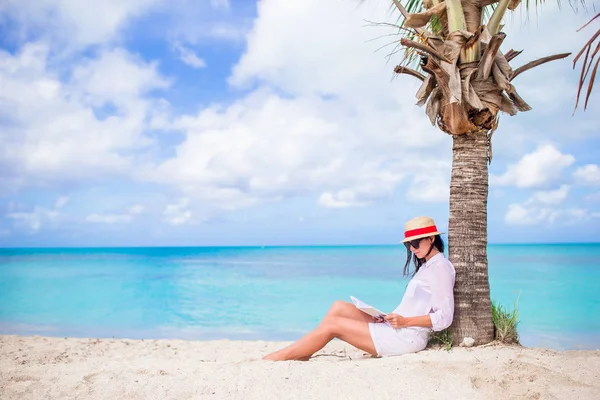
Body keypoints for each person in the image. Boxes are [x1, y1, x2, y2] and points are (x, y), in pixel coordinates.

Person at [262, 216, 456, 361]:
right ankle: (305, 350)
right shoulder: (426, 267)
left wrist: (404, 321)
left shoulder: (441, 268)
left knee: (333, 325)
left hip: (408, 337)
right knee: (338, 307)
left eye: (415, 243)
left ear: (431, 239)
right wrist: (388, 317)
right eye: (408, 245)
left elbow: (444, 317)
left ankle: (281, 356)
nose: (412, 249)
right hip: (397, 326)